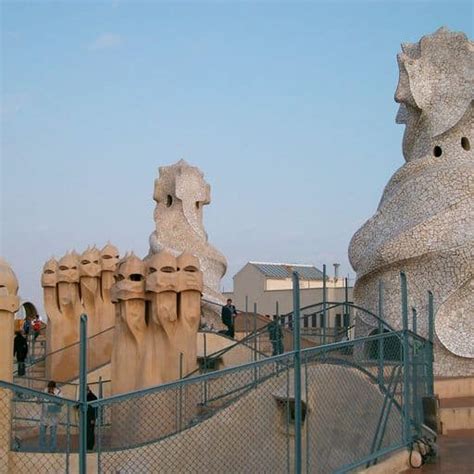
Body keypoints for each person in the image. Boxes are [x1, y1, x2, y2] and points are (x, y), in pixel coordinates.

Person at [40, 381, 62, 452]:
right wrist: (39, 398)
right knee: (42, 433)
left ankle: (53, 448)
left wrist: (54, 397)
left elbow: (61, 403)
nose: (50, 389)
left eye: (52, 388)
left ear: (54, 388)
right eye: (49, 388)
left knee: (53, 434)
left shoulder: (58, 392)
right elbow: (39, 401)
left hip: (53, 415)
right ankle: (42, 448)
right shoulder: (44, 391)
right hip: (45, 415)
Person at [86, 385, 98, 451]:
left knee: (90, 432)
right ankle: (86, 446)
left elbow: (95, 409)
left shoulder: (93, 397)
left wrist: (93, 418)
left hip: (91, 417)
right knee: (86, 432)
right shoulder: (84, 396)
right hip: (85, 417)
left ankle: (90, 447)